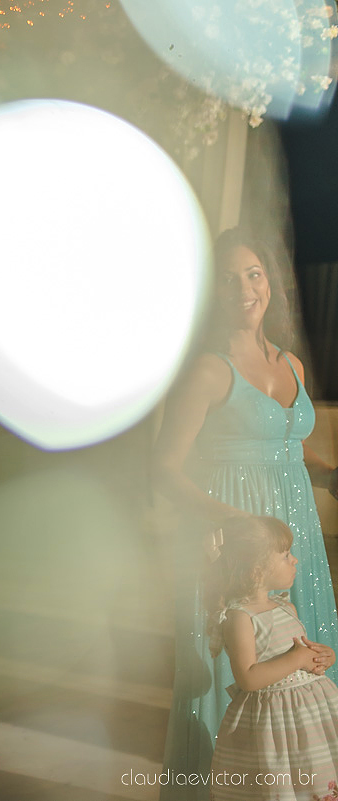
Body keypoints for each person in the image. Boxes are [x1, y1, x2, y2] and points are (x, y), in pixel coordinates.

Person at [154, 229, 338, 799]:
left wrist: (329, 473)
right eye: (229, 279)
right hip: (237, 546)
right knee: (235, 672)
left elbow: (286, 445)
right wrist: (235, 524)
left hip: (294, 540)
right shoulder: (208, 370)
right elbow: (164, 468)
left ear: (270, 283)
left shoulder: (293, 365)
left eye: (253, 273)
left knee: (306, 659)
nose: (245, 288)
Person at [206, 516, 338, 800]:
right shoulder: (240, 617)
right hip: (275, 724)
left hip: (310, 718)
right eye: (285, 555)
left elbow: (302, 655)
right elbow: (248, 678)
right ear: (257, 569)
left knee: (315, 777)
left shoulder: (285, 605)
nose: (295, 561)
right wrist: (296, 659)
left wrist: (323, 657)